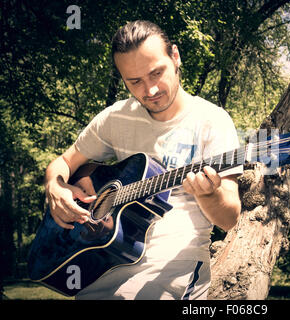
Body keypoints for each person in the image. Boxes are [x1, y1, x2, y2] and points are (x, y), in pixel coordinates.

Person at [44, 20, 242, 300]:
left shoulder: (212, 121)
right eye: (134, 81)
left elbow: (230, 218)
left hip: (174, 267)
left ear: (175, 57)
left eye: (156, 73)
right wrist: (55, 186)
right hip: (107, 260)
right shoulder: (115, 118)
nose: (149, 90)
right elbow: (63, 163)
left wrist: (209, 195)